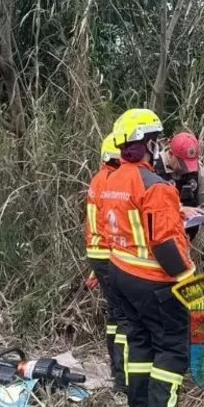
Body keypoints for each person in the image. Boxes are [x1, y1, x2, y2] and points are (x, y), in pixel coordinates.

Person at [98, 108, 196, 407]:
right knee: (172, 349)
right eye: (155, 140)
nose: (158, 146)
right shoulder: (156, 187)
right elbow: (166, 245)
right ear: (146, 143)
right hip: (155, 281)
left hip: (120, 273)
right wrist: (187, 281)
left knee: (139, 343)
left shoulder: (111, 180)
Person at [84, 131, 128, 393]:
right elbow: (115, 225)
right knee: (123, 317)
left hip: (98, 254)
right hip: (110, 254)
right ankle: (123, 379)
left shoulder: (99, 178)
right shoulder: (113, 182)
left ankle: (116, 370)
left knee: (115, 315)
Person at [158, 131, 204, 240]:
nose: (187, 169)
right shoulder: (153, 168)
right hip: (157, 241)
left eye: (190, 164)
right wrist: (179, 210)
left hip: (185, 239)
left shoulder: (199, 170)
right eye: (183, 164)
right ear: (171, 154)